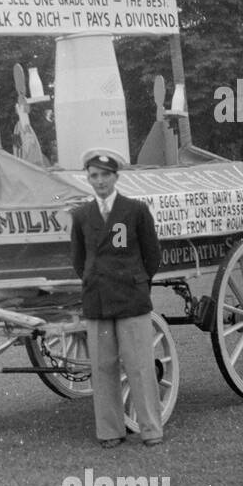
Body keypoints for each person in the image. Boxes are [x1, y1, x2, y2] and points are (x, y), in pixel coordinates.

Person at [69, 150, 164, 448]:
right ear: (88, 179)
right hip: (97, 300)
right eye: (94, 176)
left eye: (105, 175)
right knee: (103, 367)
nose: (100, 182)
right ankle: (110, 432)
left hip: (131, 298)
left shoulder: (135, 210)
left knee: (139, 366)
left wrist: (137, 283)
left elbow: (152, 257)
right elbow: (78, 260)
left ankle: (151, 429)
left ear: (116, 177)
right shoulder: (82, 215)